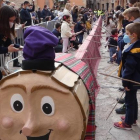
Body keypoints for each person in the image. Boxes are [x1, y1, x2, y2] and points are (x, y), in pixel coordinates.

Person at [114, 22, 140, 130]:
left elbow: (128, 69)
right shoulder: (137, 46)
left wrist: (125, 82)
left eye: (127, 33)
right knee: (133, 99)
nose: (125, 35)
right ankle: (132, 118)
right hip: (135, 79)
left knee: (129, 101)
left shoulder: (133, 51)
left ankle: (127, 123)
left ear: (134, 35)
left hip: (131, 80)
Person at [0, 6, 20, 80]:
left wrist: (19, 47)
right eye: (10, 20)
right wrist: (7, 49)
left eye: (13, 21)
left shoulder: (4, 30)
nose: (11, 23)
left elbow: (8, 43)